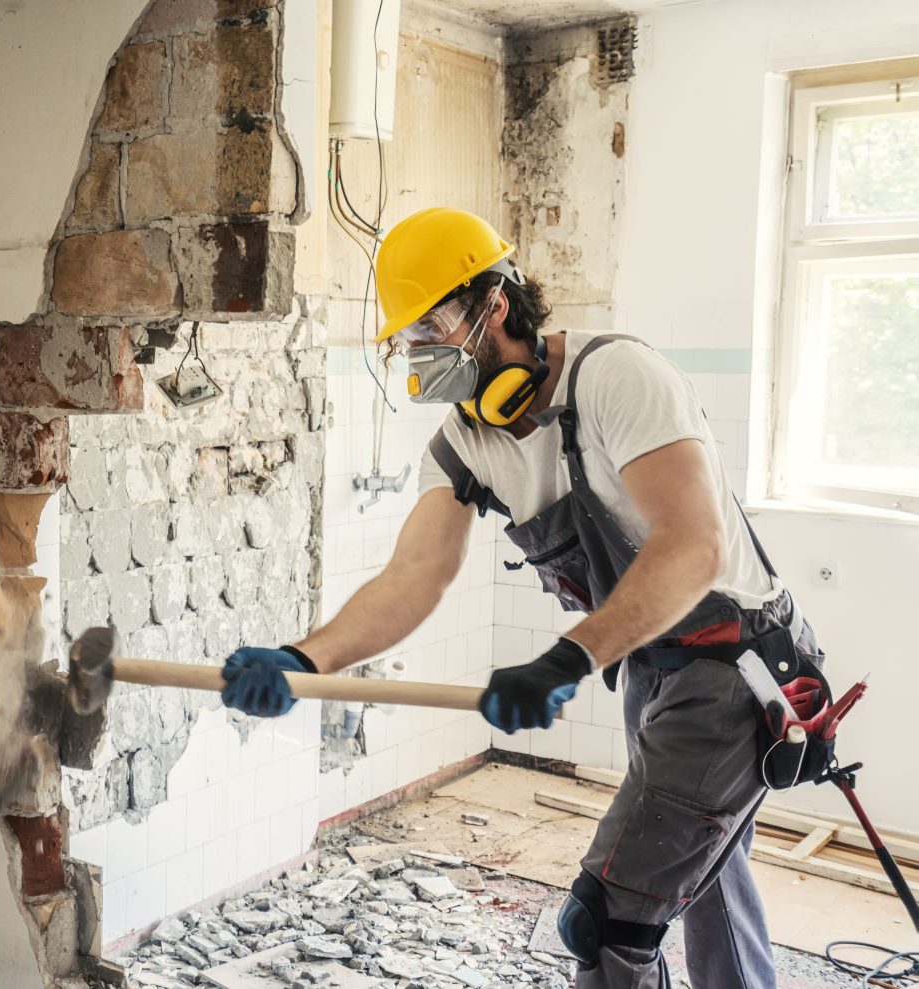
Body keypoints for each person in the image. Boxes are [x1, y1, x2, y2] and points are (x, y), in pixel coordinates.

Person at [219, 207, 824, 988]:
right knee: (699, 878)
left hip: (735, 668)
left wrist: (568, 658)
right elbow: (413, 575)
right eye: (408, 337)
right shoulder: (467, 439)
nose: (418, 351)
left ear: (493, 305)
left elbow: (694, 544)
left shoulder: (616, 377)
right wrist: (305, 657)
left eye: (432, 325)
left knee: (608, 918)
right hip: (652, 672)